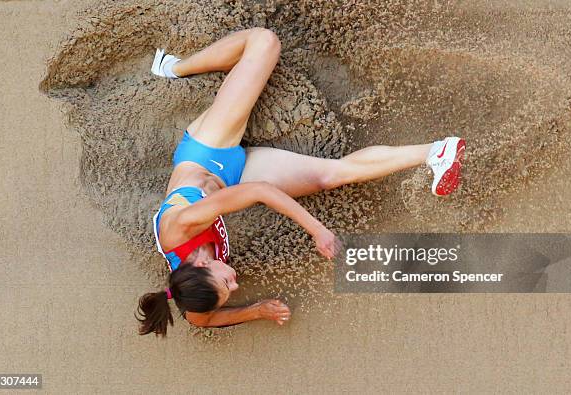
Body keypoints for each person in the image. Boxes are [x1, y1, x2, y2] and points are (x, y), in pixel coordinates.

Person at [137, 28, 465, 335]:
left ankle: (172, 68)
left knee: (264, 42)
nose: (235, 284)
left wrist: (317, 230)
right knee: (331, 175)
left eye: (226, 284)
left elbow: (259, 192)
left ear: (202, 265)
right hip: (235, 175)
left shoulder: (179, 228)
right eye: (230, 291)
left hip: (208, 151)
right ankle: (437, 152)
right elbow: (203, 321)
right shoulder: (191, 297)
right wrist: (258, 310)